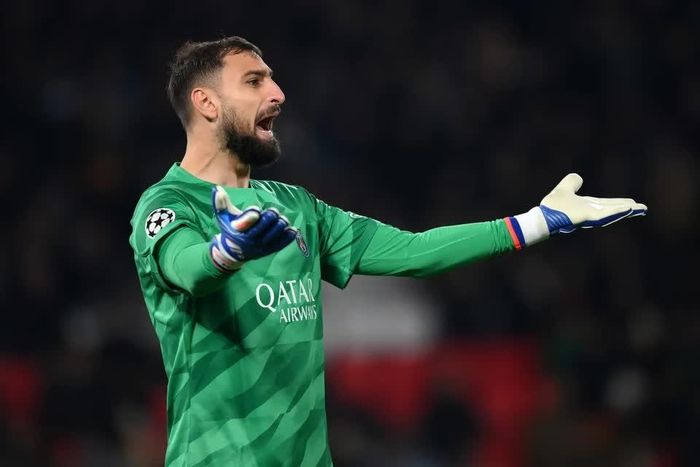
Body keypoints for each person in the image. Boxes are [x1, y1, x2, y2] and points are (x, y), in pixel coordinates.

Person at [128, 36, 647, 467]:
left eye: (273, 79)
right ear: (207, 103)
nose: (278, 94)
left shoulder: (297, 207)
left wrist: (536, 222)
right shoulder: (168, 203)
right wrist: (225, 252)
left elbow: (413, 251)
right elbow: (185, 266)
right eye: (254, 81)